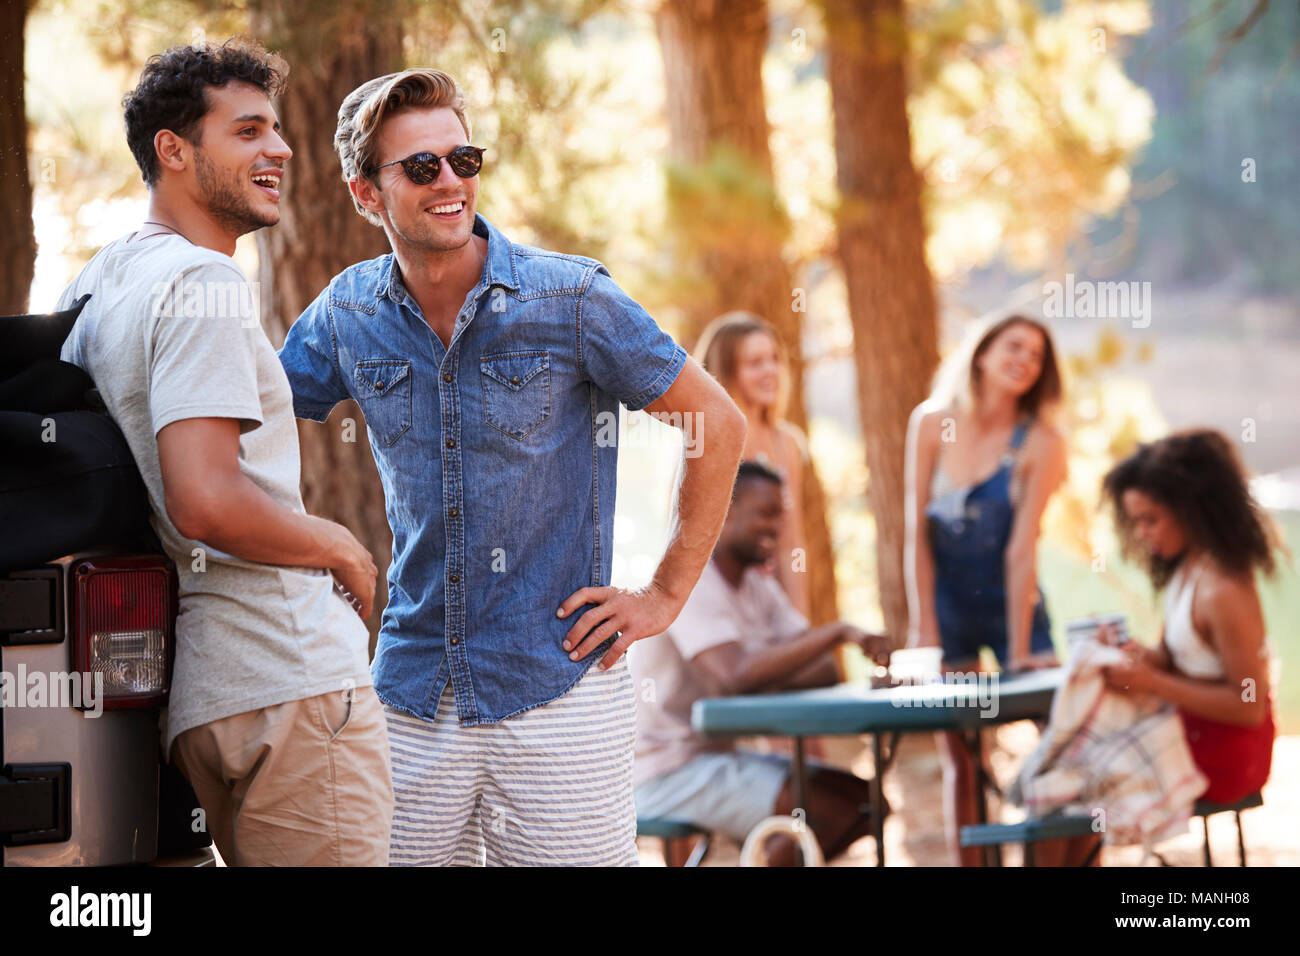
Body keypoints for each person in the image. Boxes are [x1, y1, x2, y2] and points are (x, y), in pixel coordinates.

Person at [276, 68, 746, 866]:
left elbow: (715, 422)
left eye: (464, 158)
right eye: (421, 168)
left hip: (558, 684)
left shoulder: (570, 299)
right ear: (366, 194)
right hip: (413, 692)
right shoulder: (346, 315)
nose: (451, 181)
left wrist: (665, 593)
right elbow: (246, 421)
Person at [56, 38, 392, 866]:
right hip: (289, 682)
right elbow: (202, 498)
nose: (278, 148)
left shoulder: (96, 284)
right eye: (246, 131)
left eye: (276, 130)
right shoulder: (203, 284)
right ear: (173, 150)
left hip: (204, 698)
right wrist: (340, 546)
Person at [631, 461, 892, 866]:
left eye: (781, 515)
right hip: (666, 770)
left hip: (718, 758)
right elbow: (735, 675)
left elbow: (824, 668)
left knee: (868, 804)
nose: (778, 527)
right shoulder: (691, 580)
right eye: (766, 513)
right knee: (822, 810)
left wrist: (762, 673)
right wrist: (836, 632)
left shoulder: (756, 584)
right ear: (725, 510)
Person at [903, 314, 1071, 866]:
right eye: (1014, 347)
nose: (1025, 360)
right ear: (981, 353)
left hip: (1014, 607)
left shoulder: (1042, 441)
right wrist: (924, 626)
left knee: (1060, 743)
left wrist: (1020, 653)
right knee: (966, 759)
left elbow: (1023, 552)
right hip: (949, 611)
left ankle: (1057, 856)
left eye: (1037, 355)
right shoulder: (931, 422)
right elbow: (915, 533)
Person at [1100, 429, 1277, 806]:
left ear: (1189, 512)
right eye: (1135, 522)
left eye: (1150, 520)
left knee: (1084, 782)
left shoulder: (1223, 590)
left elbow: (1249, 707)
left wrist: (1151, 683)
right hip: (1189, 736)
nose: (1141, 533)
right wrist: (1125, 652)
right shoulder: (1187, 570)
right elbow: (1169, 659)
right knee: (1078, 777)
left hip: (1225, 756)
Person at [696, 312, 811, 617]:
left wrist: (799, 620)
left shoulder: (787, 443)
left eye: (774, 359)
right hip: (717, 597)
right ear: (726, 369)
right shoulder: (703, 438)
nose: (770, 370)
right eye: (755, 362)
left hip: (770, 601)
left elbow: (790, 541)